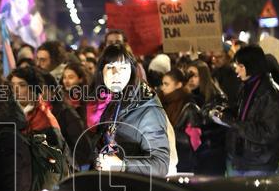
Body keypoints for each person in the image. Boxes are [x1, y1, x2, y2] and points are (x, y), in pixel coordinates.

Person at [92, 43, 171, 176]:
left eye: (122, 67)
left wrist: (122, 165)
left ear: (132, 71)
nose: (116, 74)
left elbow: (161, 165)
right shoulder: (117, 99)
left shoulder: (147, 109)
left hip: (136, 190)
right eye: (110, 67)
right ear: (101, 72)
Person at [212, 45, 279, 177]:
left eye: (241, 66)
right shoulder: (246, 86)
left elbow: (269, 133)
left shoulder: (271, 93)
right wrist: (227, 112)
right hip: (239, 159)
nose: (237, 70)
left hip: (259, 164)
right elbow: (244, 114)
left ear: (252, 65)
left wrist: (233, 122)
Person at [186, 60, 229, 175]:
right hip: (194, 156)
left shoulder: (216, 97)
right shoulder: (188, 96)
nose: (191, 79)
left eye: (194, 75)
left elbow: (221, 127)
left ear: (203, 76)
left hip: (211, 154)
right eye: (188, 75)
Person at [9, 66, 66, 152]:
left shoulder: (45, 118)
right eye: (12, 85)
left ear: (34, 88)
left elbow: (53, 155)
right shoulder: (7, 112)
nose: (15, 90)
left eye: (22, 85)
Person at [159, 69, 202, 173]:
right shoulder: (162, 102)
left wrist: (169, 134)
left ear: (178, 85)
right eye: (162, 84)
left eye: (166, 84)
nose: (162, 87)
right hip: (165, 158)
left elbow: (195, 141)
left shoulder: (189, 105)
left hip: (183, 161)